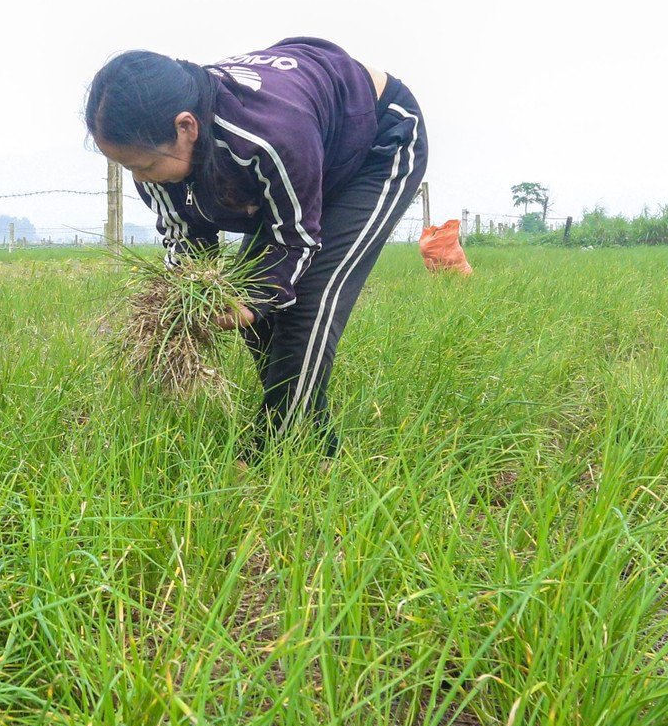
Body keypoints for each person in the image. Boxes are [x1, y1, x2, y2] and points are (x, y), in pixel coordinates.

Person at [87, 39, 427, 454]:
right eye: (128, 168)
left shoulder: (265, 138)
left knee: (305, 301)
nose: (141, 180)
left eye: (145, 165)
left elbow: (295, 241)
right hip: (308, 151)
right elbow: (186, 241)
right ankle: (311, 439)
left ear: (185, 127)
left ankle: (272, 453)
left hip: (376, 139)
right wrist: (188, 300)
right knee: (257, 309)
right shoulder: (155, 168)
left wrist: (254, 299)